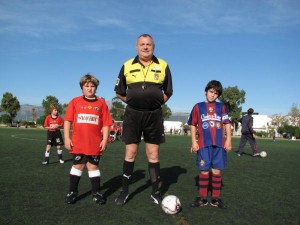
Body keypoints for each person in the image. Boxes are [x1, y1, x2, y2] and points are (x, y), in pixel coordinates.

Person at [114, 34, 173, 206]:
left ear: (153, 46)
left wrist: (155, 103)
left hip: (154, 115)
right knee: (130, 153)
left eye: (149, 44)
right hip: (133, 114)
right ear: (136, 47)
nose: (145, 47)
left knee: (153, 155)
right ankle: (124, 191)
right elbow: (119, 91)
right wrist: (132, 102)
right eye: (142, 44)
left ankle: (155, 192)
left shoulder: (163, 65)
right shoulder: (126, 65)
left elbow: (168, 91)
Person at [64, 74, 113, 205]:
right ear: (82, 87)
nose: (90, 88)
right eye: (87, 86)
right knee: (77, 165)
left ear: (96, 88)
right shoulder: (75, 101)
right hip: (78, 142)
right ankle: (72, 192)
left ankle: (96, 193)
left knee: (93, 166)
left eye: (92, 86)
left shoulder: (102, 103)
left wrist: (105, 139)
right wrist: (67, 138)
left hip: (95, 142)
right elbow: (68, 120)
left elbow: (106, 123)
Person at [188, 80, 232, 209]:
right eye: (211, 91)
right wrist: (193, 141)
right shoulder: (198, 106)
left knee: (217, 171)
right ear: (206, 91)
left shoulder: (221, 107)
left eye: (216, 93)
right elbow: (192, 124)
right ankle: (202, 198)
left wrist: (228, 140)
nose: (213, 95)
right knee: (204, 170)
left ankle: (215, 198)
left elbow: (227, 123)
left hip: (219, 144)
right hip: (203, 144)